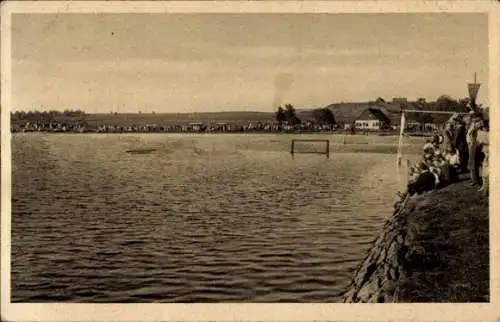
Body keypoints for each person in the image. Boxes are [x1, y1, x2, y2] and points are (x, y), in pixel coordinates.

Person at [467, 111, 483, 186]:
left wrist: (473, 124)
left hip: (473, 144)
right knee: (472, 162)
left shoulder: (477, 124)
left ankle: (475, 180)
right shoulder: (473, 124)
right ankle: (474, 179)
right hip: (471, 144)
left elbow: (472, 133)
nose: (471, 118)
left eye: (472, 116)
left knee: (473, 162)